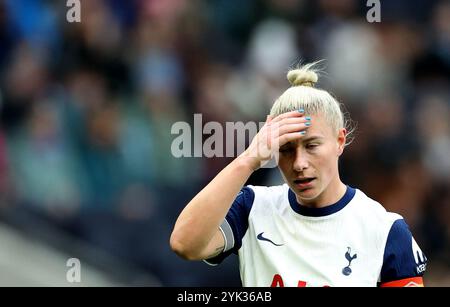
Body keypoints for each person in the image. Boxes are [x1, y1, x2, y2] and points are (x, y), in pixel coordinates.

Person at [170, 62, 427, 287]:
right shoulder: (252, 208)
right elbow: (184, 244)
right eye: (286, 149)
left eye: (312, 146)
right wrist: (248, 160)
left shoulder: (384, 230)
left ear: (340, 141)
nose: (299, 163)